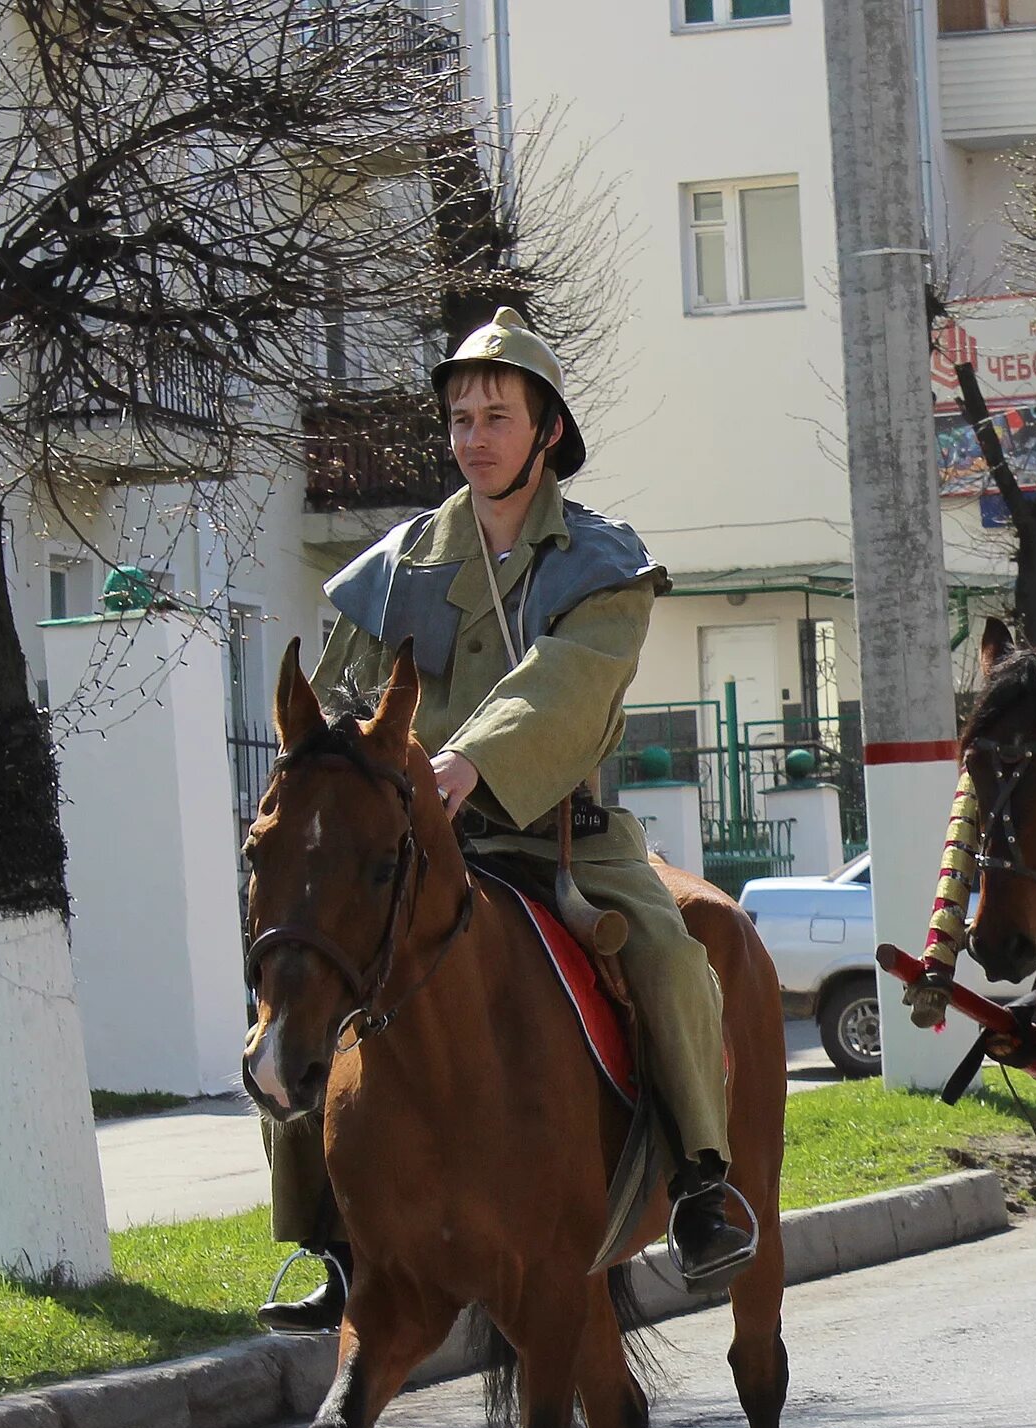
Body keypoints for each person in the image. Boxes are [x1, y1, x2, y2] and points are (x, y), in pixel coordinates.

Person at [258, 308, 754, 1331]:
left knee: (666, 951)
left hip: (554, 835)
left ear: (548, 432)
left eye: (496, 415)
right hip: (407, 843)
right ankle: (328, 1235)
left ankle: (703, 1183)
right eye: (459, 417)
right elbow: (347, 697)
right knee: (298, 984)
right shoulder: (396, 566)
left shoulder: (601, 562)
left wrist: (467, 763)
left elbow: (566, 687)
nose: (474, 437)